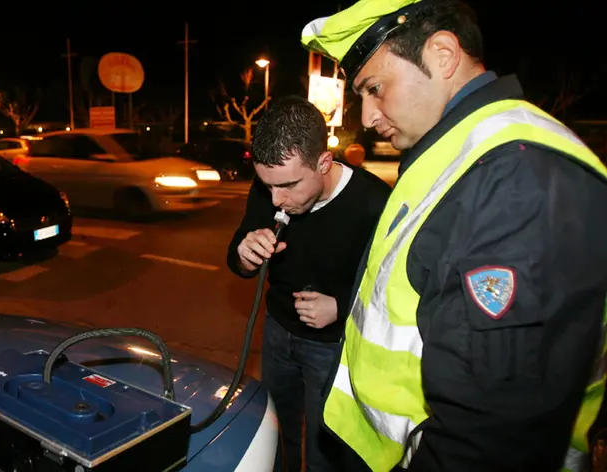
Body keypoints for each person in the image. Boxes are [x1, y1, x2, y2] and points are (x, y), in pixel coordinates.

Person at [300, 0, 607, 471]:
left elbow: (491, 435)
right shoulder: (460, 151)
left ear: (443, 55)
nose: (366, 116)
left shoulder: (518, 176)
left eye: (375, 89)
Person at [227, 96, 391, 471]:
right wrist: (244, 254)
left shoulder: (374, 203)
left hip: (333, 346)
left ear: (324, 162)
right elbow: (236, 260)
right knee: (277, 434)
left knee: (324, 447)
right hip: (277, 331)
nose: (277, 200)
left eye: (287, 186)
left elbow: (392, 291)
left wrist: (341, 307)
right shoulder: (270, 189)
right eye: (267, 186)